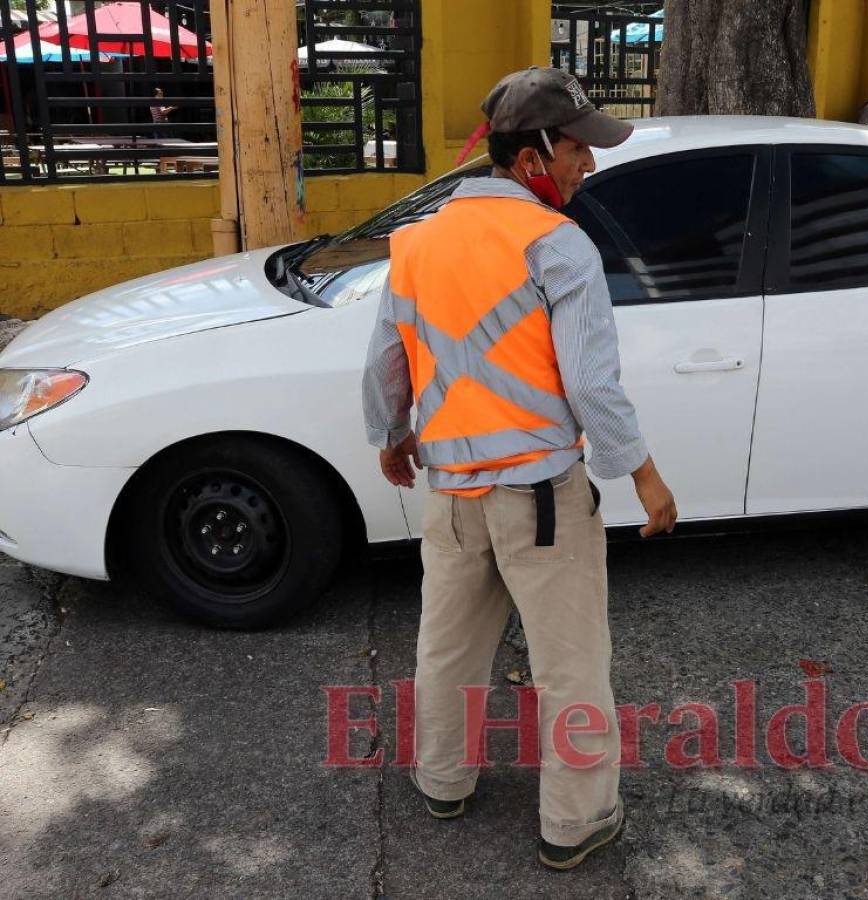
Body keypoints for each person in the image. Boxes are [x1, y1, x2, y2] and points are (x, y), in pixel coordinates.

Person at [362, 66, 678, 871]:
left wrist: (390, 434)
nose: (589, 166)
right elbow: (590, 383)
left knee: (447, 649)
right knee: (571, 665)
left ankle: (442, 781)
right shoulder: (558, 243)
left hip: (453, 498)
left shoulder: (419, 239)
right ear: (534, 153)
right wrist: (641, 474)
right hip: (541, 499)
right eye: (578, 149)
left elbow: (385, 365)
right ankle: (575, 823)